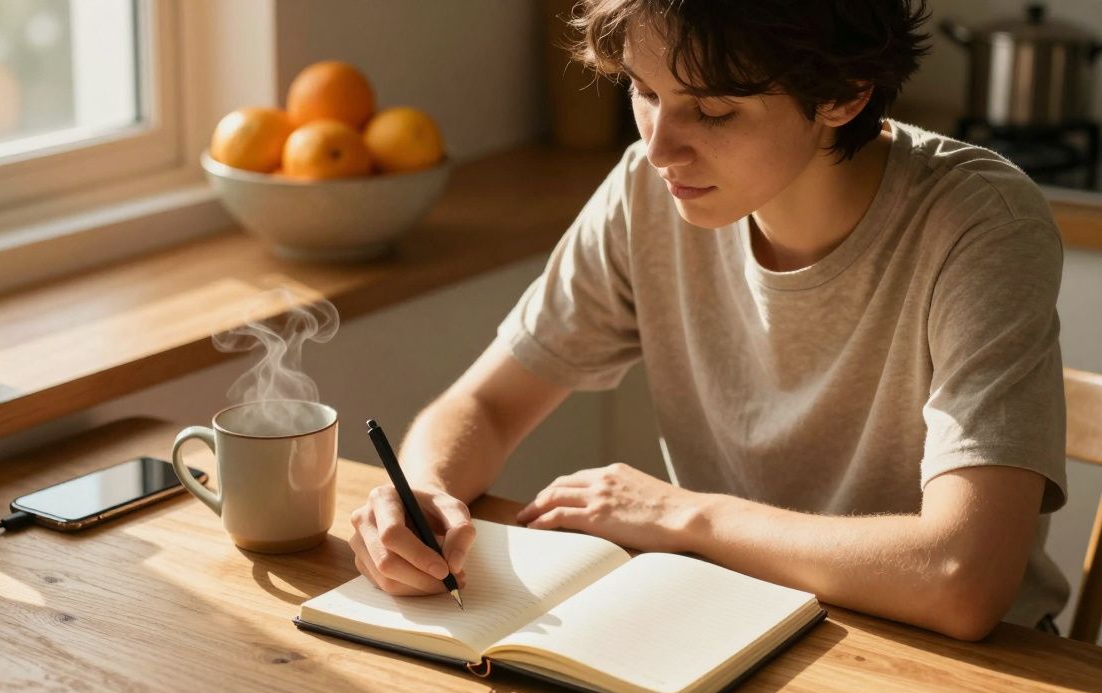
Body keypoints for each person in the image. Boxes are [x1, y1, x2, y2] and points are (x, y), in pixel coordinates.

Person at [347, 0, 1070, 641]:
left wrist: (684, 517)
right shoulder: (646, 188)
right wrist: (421, 495)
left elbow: (962, 578)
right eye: (644, 90)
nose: (661, 147)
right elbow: (485, 404)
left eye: (713, 111)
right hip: (727, 625)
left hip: (969, 674)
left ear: (844, 94)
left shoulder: (980, 224)